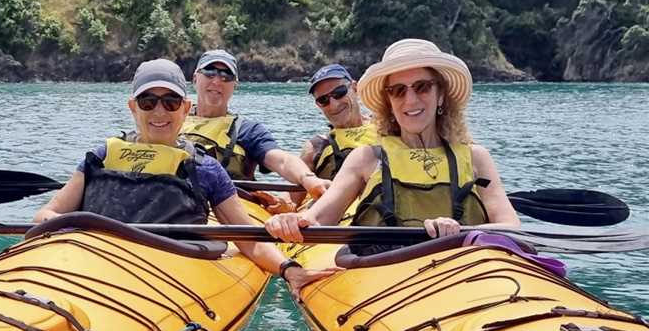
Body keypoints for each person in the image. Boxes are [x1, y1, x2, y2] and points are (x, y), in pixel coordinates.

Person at [34, 58, 341, 296]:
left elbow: (248, 240)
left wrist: (289, 269)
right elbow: (48, 213)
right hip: (93, 262)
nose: (159, 111)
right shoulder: (101, 155)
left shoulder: (205, 168)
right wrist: (71, 236)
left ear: (185, 109)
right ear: (132, 107)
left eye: (170, 102)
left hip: (168, 271)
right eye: (148, 102)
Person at [265, 39, 520, 253]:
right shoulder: (365, 158)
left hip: (465, 273)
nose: (410, 100)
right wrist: (291, 221)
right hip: (386, 271)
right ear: (388, 100)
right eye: (398, 90)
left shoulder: (476, 158)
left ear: (441, 94)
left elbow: (511, 226)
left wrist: (461, 231)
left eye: (422, 87)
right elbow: (319, 217)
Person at [181, 50, 331, 209]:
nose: (217, 81)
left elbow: (281, 160)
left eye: (226, 76)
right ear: (195, 78)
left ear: (235, 85)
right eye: (209, 73)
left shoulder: (247, 130)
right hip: (174, 198)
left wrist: (307, 178)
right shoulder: (170, 119)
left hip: (224, 206)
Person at [291, 64, 377, 206]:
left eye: (339, 92)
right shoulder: (316, 147)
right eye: (323, 100)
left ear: (355, 88)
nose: (333, 104)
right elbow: (290, 200)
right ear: (318, 105)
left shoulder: (388, 128)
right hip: (340, 221)